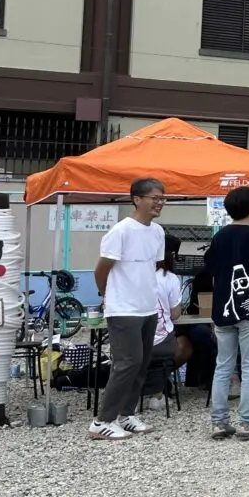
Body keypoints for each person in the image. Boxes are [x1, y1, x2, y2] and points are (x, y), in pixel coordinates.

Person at [89, 178, 167, 441]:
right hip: (123, 308)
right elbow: (102, 269)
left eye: (162, 198)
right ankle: (103, 421)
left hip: (147, 306)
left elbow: (151, 267)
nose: (159, 203)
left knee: (142, 362)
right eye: (154, 198)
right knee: (126, 363)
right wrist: (106, 295)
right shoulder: (121, 231)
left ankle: (127, 414)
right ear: (137, 199)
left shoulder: (158, 232)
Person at [203, 186, 249, 440]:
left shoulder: (219, 237)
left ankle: (219, 422)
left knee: (223, 366)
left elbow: (214, 275)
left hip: (222, 309)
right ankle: (247, 423)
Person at [142, 234, 185, 412]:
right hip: (161, 342)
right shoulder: (170, 278)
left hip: (133, 339)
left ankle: (137, 391)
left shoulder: (138, 274)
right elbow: (175, 314)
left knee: (143, 353)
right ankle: (157, 393)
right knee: (184, 346)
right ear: (171, 256)